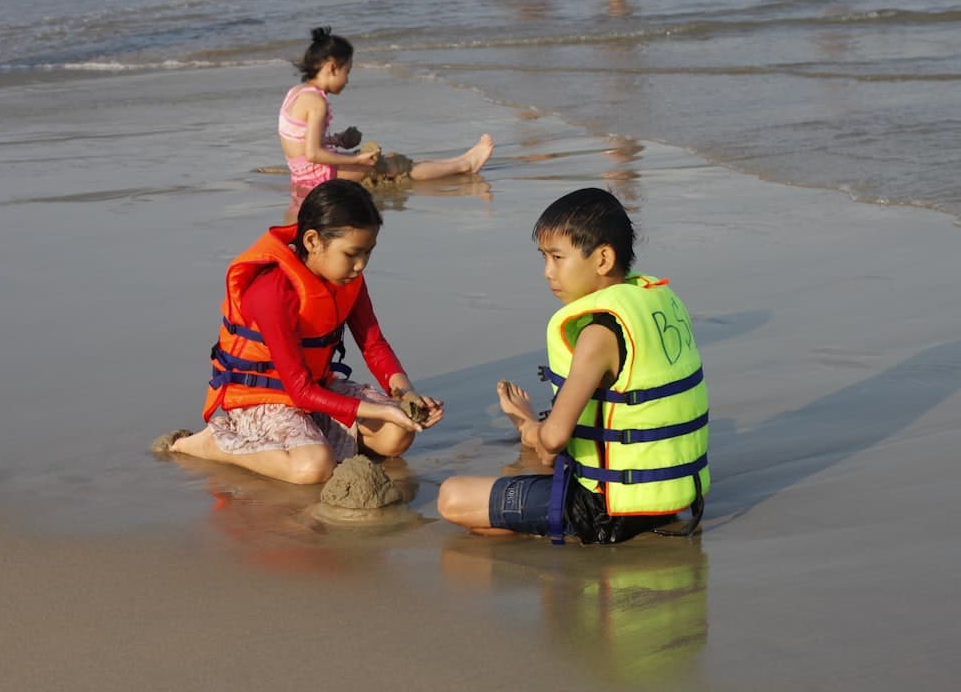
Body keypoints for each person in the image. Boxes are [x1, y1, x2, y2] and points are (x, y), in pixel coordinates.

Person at [437, 188, 710, 544]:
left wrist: (527, 425)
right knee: (490, 516)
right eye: (544, 258)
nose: (548, 272)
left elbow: (553, 441)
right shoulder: (655, 301)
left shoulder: (597, 334)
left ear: (602, 259)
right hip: (672, 499)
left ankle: (561, 530)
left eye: (557, 257)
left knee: (452, 497)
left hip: (605, 511)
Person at [158, 179, 443, 484]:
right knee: (314, 468)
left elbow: (373, 344)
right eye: (352, 253)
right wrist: (383, 412)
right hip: (261, 398)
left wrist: (406, 394)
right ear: (311, 241)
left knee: (398, 434)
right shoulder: (272, 291)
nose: (361, 265)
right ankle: (212, 444)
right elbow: (299, 391)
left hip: (316, 389)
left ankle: (313, 438)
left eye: (367, 253)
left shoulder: (347, 280)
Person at [279, 27, 494, 191]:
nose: (347, 80)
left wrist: (337, 140)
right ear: (332, 68)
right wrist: (356, 160)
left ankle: (460, 160)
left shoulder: (297, 92)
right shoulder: (317, 102)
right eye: (347, 71)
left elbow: (302, 142)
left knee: (388, 159)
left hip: (303, 174)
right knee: (395, 167)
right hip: (319, 176)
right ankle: (464, 165)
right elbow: (313, 153)